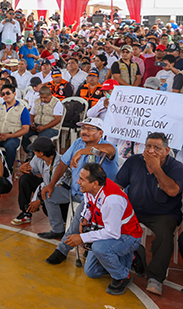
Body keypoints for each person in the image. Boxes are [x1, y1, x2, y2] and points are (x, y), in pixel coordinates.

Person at [116, 132, 183, 296]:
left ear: (167, 150)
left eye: (157, 148)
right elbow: (118, 185)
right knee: (113, 224)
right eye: (148, 147)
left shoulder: (177, 167)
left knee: (165, 236)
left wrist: (157, 168)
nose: (151, 151)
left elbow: (173, 191)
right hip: (134, 210)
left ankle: (155, 278)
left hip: (163, 213)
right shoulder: (134, 161)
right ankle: (123, 263)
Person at [43, 117, 119, 262]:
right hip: (74, 190)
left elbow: (110, 150)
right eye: (83, 128)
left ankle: (62, 250)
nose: (85, 131)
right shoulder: (77, 143)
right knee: (49, 195)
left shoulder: (108, 146)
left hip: (94, 197)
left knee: (79, 215)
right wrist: (51, 184)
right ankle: (57, 229)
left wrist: (83, 152)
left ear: (100, 133)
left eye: (90, 129)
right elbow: (63, 164)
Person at [65, 163, 142, 296]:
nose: (78, 182)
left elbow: (112, 232)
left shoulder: (112, 200)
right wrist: (85, 218)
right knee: (91, 272)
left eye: (82, 179)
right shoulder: (91, 189)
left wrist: (82, 237)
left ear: (94, 183)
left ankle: (123, 276)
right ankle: (128, 258)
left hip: (128, 235)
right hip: (110, 232)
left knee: (100, 248)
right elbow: (88, 206)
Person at [12, 137, 65, 225]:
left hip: (58, 192)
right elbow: (31, 171)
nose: (33, 152)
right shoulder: (38, 158)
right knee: (25, 179)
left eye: (35, 150)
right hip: (46, 186)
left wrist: (39, 201)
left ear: (41, 153)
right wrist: (23, 169)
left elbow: (59, 188)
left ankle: (62, 220)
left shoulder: (61, 164)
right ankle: (26, 213)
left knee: (47, 206)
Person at [0, 84, 30, 171]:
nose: (5, 96)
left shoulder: (22, 109)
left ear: (14, 93)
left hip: (13, 137)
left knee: (10, 146)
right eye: (3, 94)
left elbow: (26, 129)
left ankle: (8, 169)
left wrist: (9, 136)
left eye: (8, 93)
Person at [21, 86, 63, 153]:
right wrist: (31, 123)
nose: (42, 99)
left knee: (40, 140)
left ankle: (37, 156)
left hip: (51, 128)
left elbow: (57, 120)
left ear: (50, 95)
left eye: (45, 98)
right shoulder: (37, 101)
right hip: (37, 125)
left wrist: (44, 127)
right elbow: (31, 114)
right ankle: (30, 152)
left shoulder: (57, 103)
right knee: (23, 133)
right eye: (41, 97)